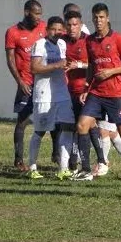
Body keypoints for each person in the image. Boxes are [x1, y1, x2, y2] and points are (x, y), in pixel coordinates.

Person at [75, 2, 121, 181]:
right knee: (82, 125)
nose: (98, 21)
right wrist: (86, 87)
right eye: (95, 17)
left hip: (116, 94)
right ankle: (85, 168)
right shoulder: (89, 41)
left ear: (108, 18)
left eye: (101, 17)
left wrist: (111, 72)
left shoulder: (118, 39)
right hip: (96, 93)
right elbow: (91, 65)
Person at [4, 0, 60, 171]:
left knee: (52, 118)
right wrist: (19, 81)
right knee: (22, 121)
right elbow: (10, 60)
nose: (39, 17)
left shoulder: (44, 28)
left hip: (43, 83)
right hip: (26, 84)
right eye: (36, 13)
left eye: (40, 14)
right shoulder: (13, 32)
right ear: (27, 12)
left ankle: (56, 154)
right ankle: (19, 159)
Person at [27, 16, 75, 180]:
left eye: (59, 29)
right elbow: (34, 68)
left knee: (68, 127)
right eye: (53, 29)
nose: (56, 32)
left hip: (61, 93)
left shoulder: (62, 44)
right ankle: (32, 167)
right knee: (40, 132)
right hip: (43, 95)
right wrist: (56, 65)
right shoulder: (40, 44)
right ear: (47, 30)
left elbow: (62, 65)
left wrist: (66, 66)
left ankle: (63, 168)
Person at [62, 9, 108, 174]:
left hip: (87, 91)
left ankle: (97, 161)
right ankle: (77, 164)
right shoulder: (63, 41)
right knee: (80, 127)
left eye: (75, 25)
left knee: (88, 126)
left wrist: (78, 65)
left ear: (81, 25)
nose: (72, 28)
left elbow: (95, 65)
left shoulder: (88, 41)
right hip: (69, 91)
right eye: (69, 25)